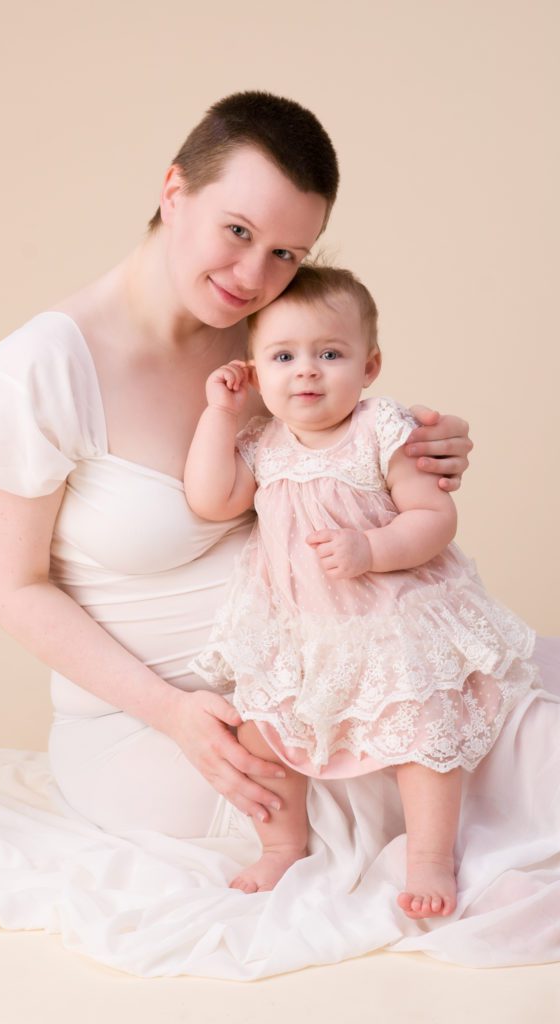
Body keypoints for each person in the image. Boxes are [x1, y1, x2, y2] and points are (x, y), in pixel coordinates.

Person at [0, 91, 474, 837]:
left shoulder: (264, 336)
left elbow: (340, 454)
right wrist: (173, 713)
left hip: (330, 677)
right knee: (437, 820)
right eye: (236, 230)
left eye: (285, 254)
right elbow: (12, 586)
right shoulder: (36, 372)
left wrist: (420, 447)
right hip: (172, 726)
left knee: (517, 734)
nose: (254, 274)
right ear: (173, 191)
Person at [184, 264, 539, 917]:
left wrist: (372, 550)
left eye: (329, 353)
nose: (307, 371)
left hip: (388, 617)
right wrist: (218, 412)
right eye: (284, 356)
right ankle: (280, 843)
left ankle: (430, 858)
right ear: (257, 373)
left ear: (369, 365)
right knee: (262, 736)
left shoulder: (380, 429)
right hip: (302, 628)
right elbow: (211, 499)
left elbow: (434, 517)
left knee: (422, 736)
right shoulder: (262, 441)